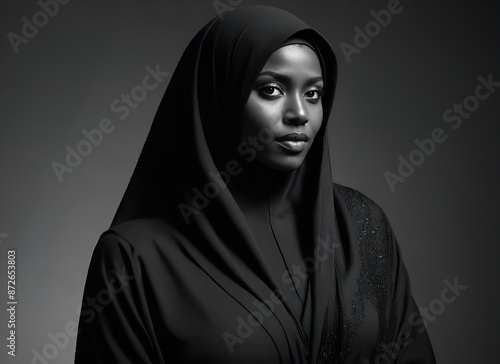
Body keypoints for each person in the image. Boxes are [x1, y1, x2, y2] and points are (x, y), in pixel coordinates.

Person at [74, 5, 436, 364]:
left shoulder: (362, 224)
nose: (299, 113)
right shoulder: (134, 258)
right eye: (272, 89)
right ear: (220, 97)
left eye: (313, 93)